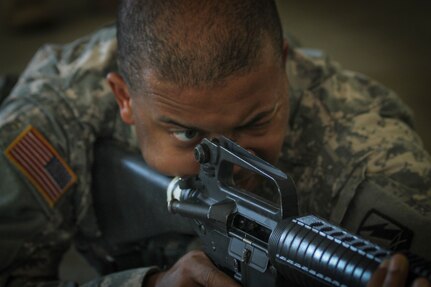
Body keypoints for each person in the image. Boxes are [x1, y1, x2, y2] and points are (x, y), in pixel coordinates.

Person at [0, 0, 430, 286]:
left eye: (256, 121)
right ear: (124, 99)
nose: (235, 162)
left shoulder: (372, 153)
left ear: (284, 67)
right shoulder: (59, 110)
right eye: (189, 135)